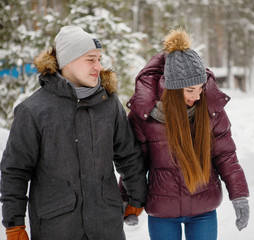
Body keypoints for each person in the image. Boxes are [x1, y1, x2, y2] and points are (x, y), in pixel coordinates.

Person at [0, 26, 147, 240]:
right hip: (57, 228)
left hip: (106, 226)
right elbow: (15, 171)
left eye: (99, 58)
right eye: (90, 59)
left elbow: (128, 155)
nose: (98, 66)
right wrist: (14, 224)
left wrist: (136, 197)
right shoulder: (33, 111)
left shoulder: (109, 103)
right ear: (68, 60)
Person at [120, 29, 250, 240]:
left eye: (200, 88)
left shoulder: (210, 110)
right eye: (190, 90)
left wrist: (240, 196)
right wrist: (130, 201)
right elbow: (134, 163)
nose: (197, 96)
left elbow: (225, 155)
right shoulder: (144, 117)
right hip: (162, 212)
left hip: (204, 210)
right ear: (172, 89)